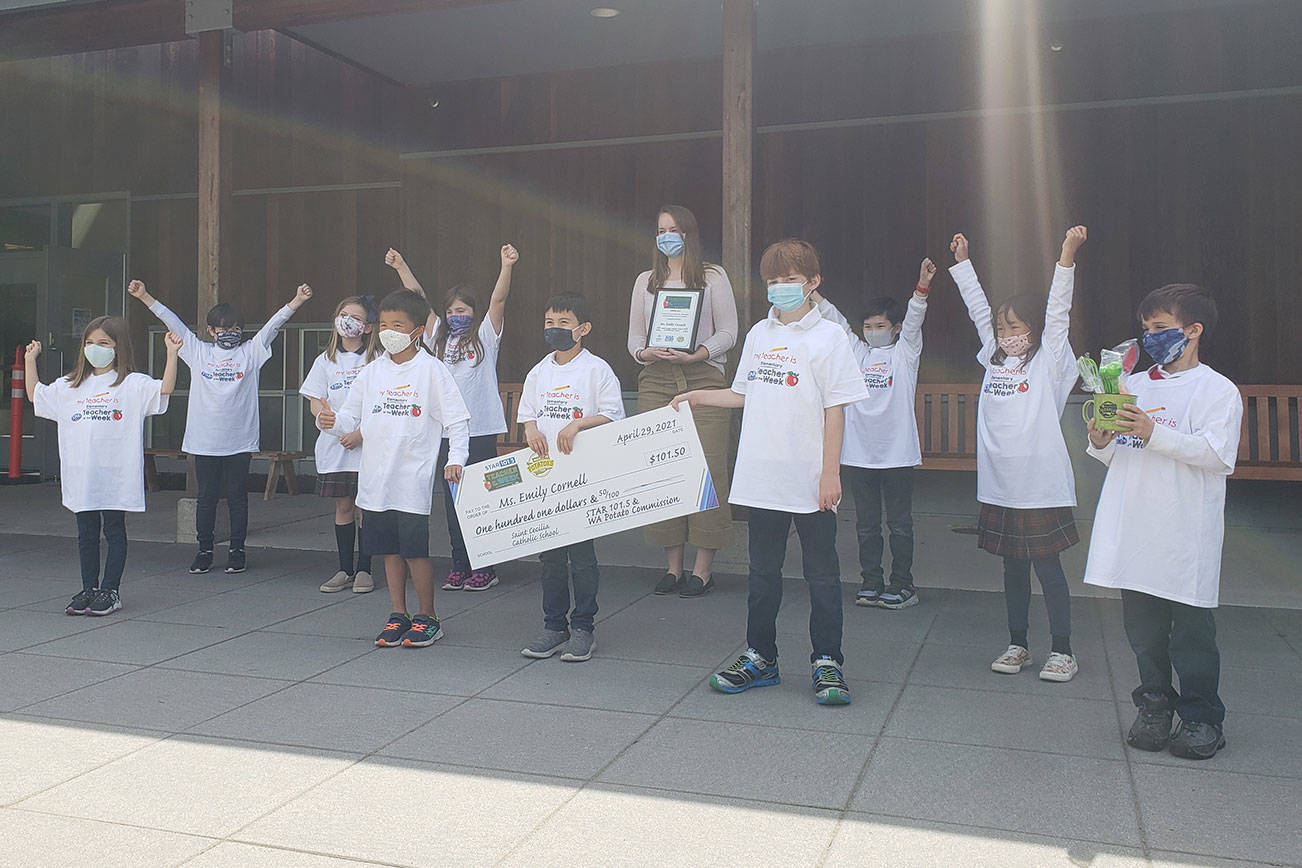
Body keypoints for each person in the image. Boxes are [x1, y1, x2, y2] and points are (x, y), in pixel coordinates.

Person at [672, 239, 869, 705]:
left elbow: (836, 409)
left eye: (790, 279)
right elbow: (744, 393)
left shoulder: (830, 337)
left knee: (822, 575)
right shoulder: (760, 334)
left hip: (810, 479)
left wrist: (831, 474)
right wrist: (698, 396)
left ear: (813, 283)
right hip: (761, 477)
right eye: (773, 280)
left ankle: (827, 661)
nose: (780, 287)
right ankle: (760, 657)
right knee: (762, 574)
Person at [1084, 284, 1241, 760]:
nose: (1150, 337)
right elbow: (1117, 452)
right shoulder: (1132, 384)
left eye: (1160, 327)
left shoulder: (1217, 390)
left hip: (1185, 532)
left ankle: (1201, 717)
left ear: (1193, 330)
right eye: (1146, 328)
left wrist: (1155, 433)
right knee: (1144, 633)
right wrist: (1100, 438)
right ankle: (1154, 705)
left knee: (1192, 634)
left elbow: (1217, 455)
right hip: (1136, 528)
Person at [950, 226, 1088, 683]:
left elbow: (1059, 310)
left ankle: (1063, 650)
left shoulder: (1050, 361)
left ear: (1035, 328)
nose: (1006, 334)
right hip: (1001, 486)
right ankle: (1018, 644)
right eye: (1002, 328)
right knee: (1012, 568)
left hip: (1040, 485)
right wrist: (963, 264)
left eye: (1015, 326)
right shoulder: (994, 358)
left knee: (1048, 568)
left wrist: (1066, 255)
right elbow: (977, 310)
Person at [317, 289, 471, 648]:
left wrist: (456, 459)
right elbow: (349, 417)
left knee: (415, 551)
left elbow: (457, 421)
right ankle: (398, 613)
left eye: (397, 325)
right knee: (389, 550)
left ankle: (428, 617)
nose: (389, 332)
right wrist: (331, 421)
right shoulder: (371, 372)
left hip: (411, 479)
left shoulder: (432, 371)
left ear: (417, 331)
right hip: (376, 480)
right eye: (384, 325)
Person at [128, 279, 313, 575]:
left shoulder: (251, 352)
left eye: (236, 328)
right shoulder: (198, 351)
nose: (230, 333)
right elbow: (172, 321)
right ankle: (204, 550)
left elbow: (274, 325)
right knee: (207, 497)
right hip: (204, 440)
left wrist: (297, 301)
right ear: (211, 331)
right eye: (223, 329)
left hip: (240, 440)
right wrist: (145, 296)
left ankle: (237, 550)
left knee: (238, 497)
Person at [385, 243, 518, 591]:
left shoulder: (486, 336)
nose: (455, 315)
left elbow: (499, 300)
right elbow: (419, 298)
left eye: (462, 310)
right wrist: (401, 266)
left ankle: (485, 566)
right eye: (450, 311)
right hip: (447, 434)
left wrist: (506, 265)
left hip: (481, 430)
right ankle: (460, 564)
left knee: (481, 498)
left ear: (473, 312)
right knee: (454, 501)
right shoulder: (438, 339)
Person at [25, 318, 180, 616]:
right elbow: (36, 395)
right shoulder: (70, 385)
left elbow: (165, 389)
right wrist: (31, 360)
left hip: (115, 475)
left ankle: (111, 590)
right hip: (82, 475)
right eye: (90, 343)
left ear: (117, 347)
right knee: (86, 532)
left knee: (114, 530)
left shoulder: (131, 384)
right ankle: (88, 588)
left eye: (103, 343)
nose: (95, 348)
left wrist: (171, 355)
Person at [628, 205, 738, 597]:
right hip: (657, 378)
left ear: (688, 234)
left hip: (704, 375)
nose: (666, 237)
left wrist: (698, 354)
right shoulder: (646, 281)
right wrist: (646, 353)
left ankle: (702, 569)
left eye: (673, 229)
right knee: (662, 467)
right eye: (660, 230)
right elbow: (634, 338)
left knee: (708, 467)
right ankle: (672, 567)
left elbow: (729, 331)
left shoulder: (712, 276)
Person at [814, 258, 936, 610]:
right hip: (860, 455)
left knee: (899, 525)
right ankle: (871, 581)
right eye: (867, 326)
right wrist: (811, 292)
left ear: (895, 328)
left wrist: (922, 287)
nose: (872, 331)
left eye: (880, 326)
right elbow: (835, 321)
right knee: (866, 525)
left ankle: (903, 584)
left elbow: (915, 320)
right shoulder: (857, 353)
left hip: (897, 455)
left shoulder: (906, 353)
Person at [518, 292, 625, 663]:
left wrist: (577, 423)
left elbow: (613, 415)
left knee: (581, 556)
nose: (555, 329)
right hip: (547, 476)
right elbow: (528, 414)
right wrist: (531, 429)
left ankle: (583, 628)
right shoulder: (539, 371)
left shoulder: (597, 370)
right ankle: (554, 625)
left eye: (564, 323)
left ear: (584, 329)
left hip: (583, 476)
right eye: (550, 322)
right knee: (549, 556)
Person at [302, 295, 381, 594]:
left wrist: (360, 433)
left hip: (367, 444)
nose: (347, 321)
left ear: (368, 327)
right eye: (344, 314)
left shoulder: (377, 359)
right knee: (344, 505)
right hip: (335, 446)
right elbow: (315, 399)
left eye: (356, 318)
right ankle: (344, 569)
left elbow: (383, 403)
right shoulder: (325, 360)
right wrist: (323, 418)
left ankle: (365, 569)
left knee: (366, 507)